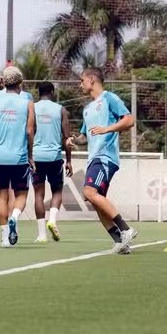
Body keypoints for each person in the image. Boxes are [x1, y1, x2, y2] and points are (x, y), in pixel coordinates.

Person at [67, 67, 137, 254]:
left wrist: (107, 129)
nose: (80, 84)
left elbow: (130, 120)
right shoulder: (87, 109)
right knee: (96, 199)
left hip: (105, 156)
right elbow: (85, 137)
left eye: (82, 80)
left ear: (91, 79)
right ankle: (120, 242)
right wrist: (74, 139)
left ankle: (126, 230)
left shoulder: (109, 98)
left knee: (89, 192)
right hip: (93, 158)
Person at [0, 67, 35, 247]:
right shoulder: (27, 99)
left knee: (1, 197)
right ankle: (14, 217)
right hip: (19, 157)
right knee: (21, 195)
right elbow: (29, 131)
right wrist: (30, 155)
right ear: (20, 83)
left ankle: (5, 239)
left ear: (3, 81)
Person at [31, 81, 72, 243]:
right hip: (54, 157)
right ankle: (52, 220)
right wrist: (68, 160)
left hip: (36, 157)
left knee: (38, 195)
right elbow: (67, 139)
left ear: (38, 92)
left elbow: (28, 132)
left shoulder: (31, 108)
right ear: (52, 92)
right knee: (57, 191)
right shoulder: (60, 110)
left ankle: (41, 235)